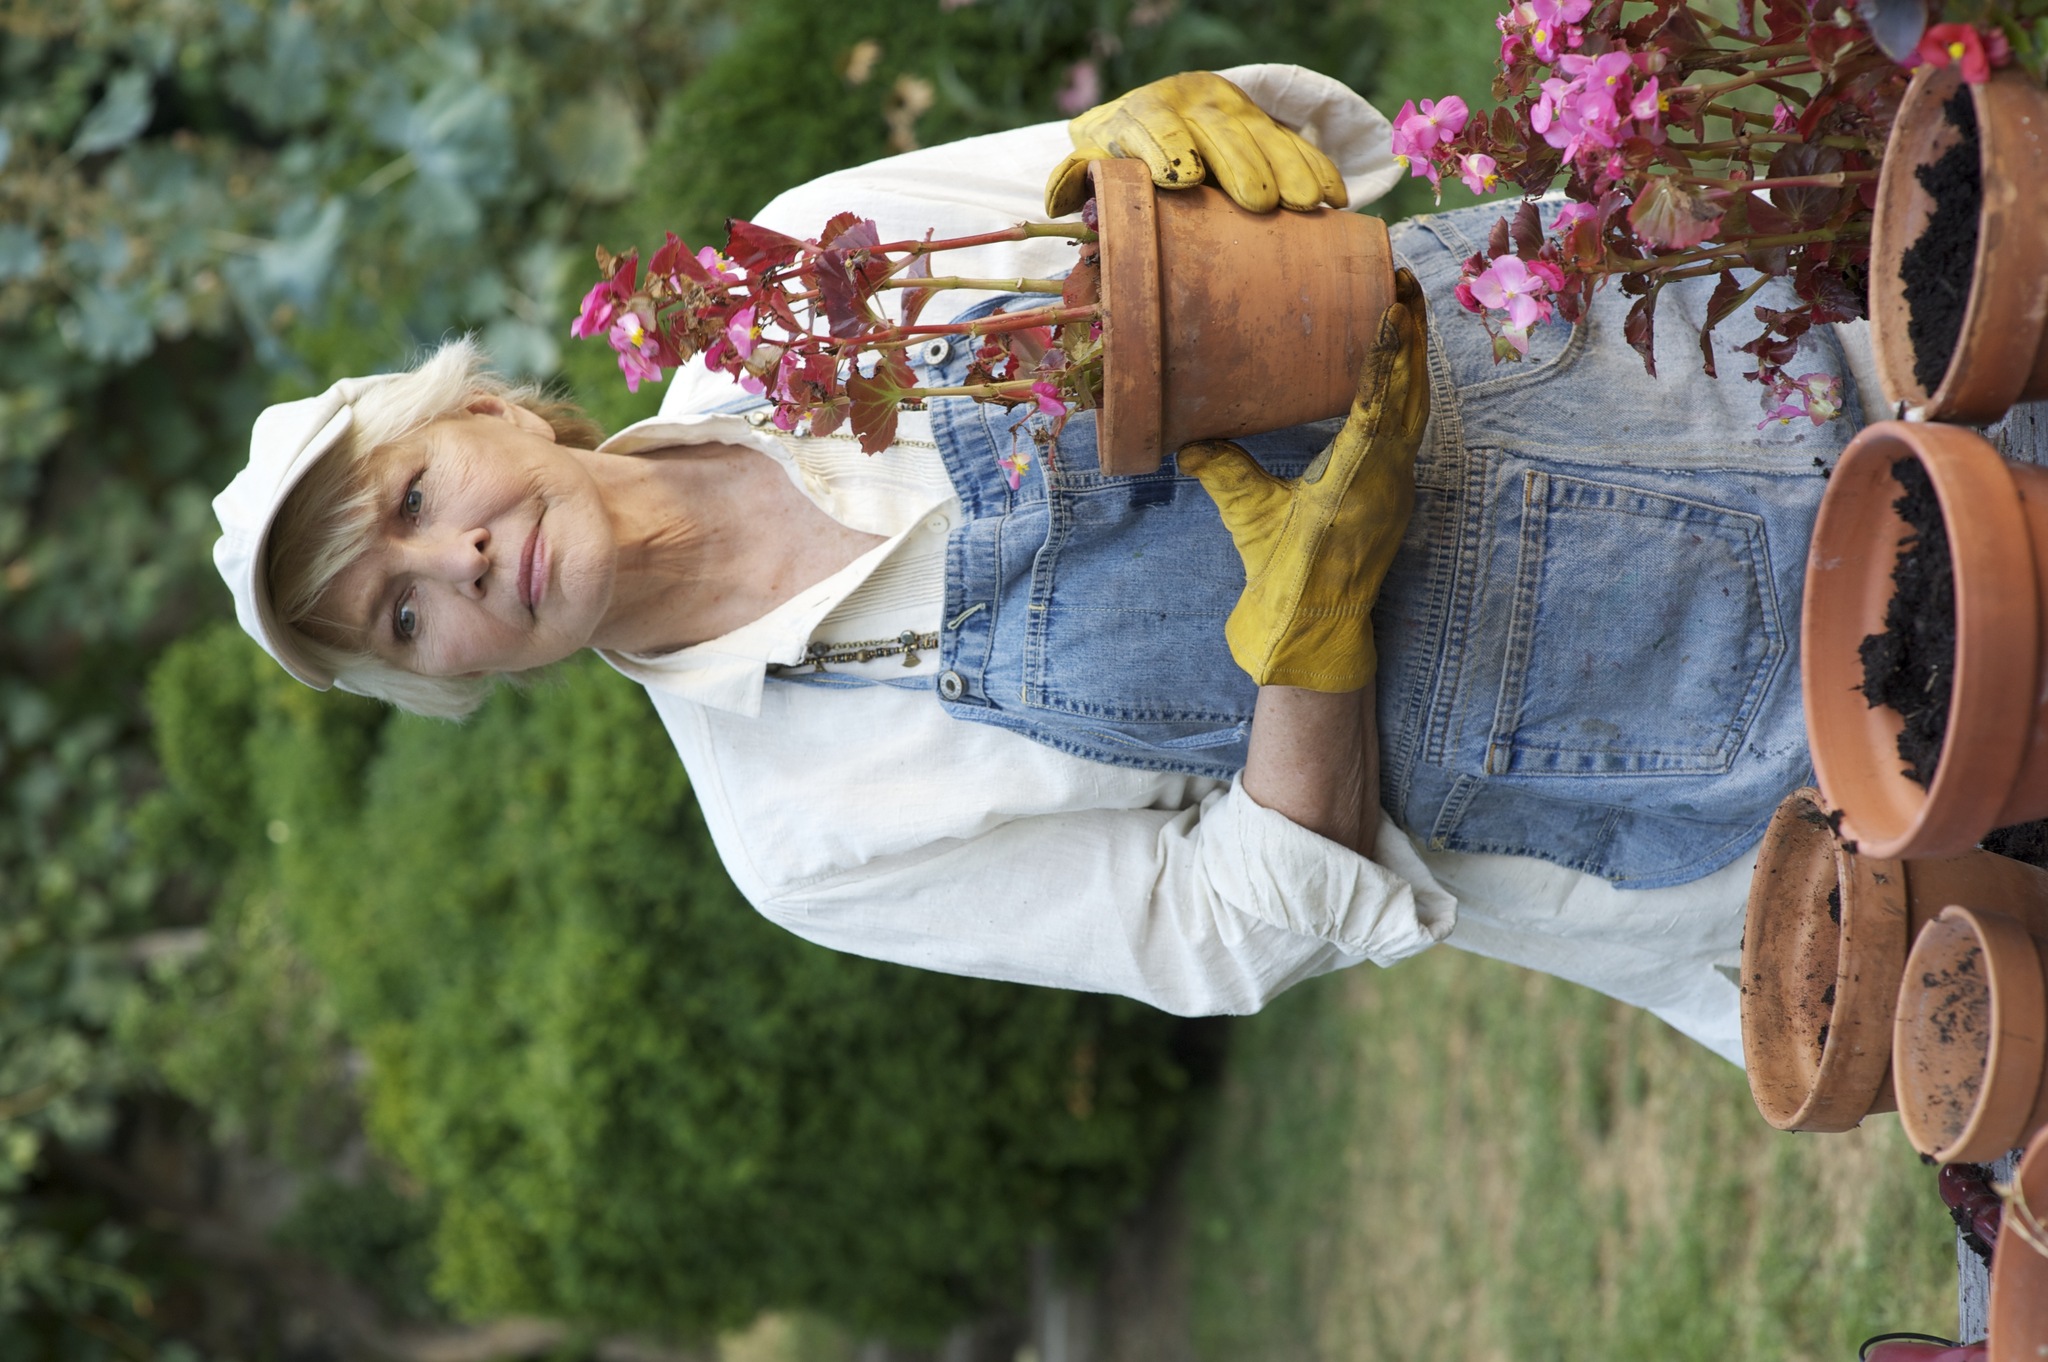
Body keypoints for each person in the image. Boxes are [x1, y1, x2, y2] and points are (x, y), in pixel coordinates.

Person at [212, 66, 1862, 1066]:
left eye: (419, 493)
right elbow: (1231, 928)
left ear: (490, 406)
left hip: (1697, 371)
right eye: (401, 612)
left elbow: (1311, 183)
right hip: (1702, 776)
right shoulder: (801, 829)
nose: (462, 559)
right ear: (444, 679)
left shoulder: (799, 287)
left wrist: (1158, 145)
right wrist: (1313, 639)